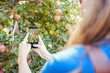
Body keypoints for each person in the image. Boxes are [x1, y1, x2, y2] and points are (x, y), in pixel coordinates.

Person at [18, 0, 110, 73]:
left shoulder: (68, 61)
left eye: (81, 1)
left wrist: (22, 57)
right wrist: (46, 55)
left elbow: (65, 65)